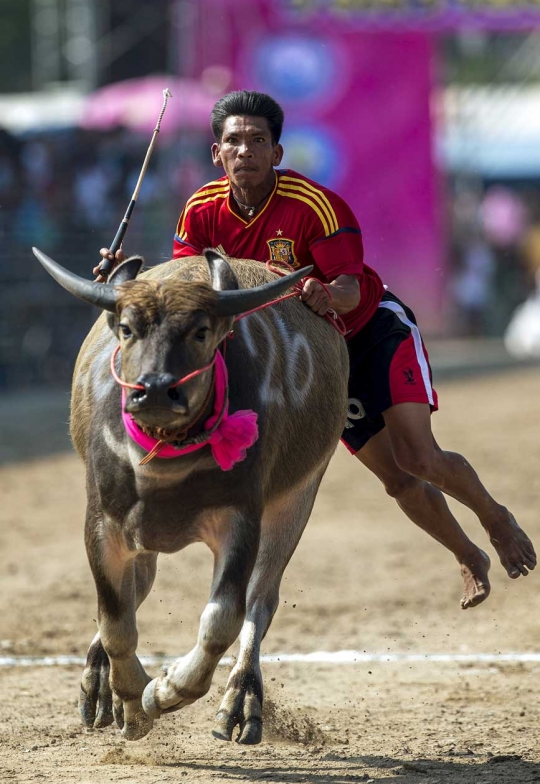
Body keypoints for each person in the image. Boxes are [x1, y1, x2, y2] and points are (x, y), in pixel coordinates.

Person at [96, 90, 536, 609]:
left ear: (277, 153)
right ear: (217, 154)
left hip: (369, 334)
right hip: (308, 362)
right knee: (395, 480)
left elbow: (350, 288)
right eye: (233, 142)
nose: (245, 151)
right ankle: (467, 554)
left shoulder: (316, 206)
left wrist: (327, 295)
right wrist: (124, 283)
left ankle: (494, 517)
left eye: (257, 141)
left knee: (418, 456)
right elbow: (187, 289)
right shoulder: (200, 210)